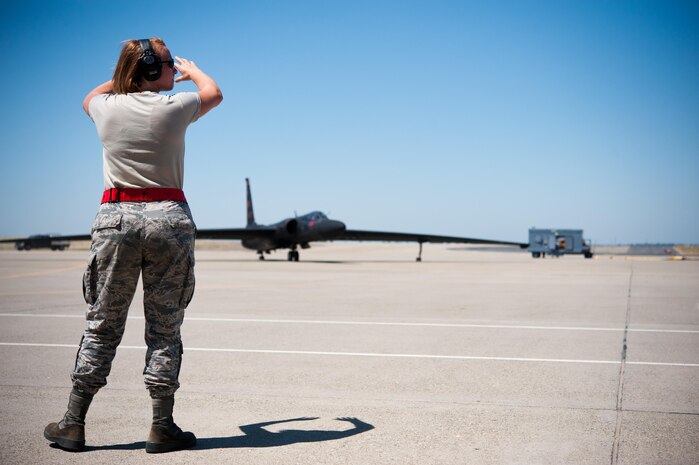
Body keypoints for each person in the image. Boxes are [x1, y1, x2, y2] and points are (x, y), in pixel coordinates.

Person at [43, 38, 222, 453]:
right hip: (169, 220)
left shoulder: (106, 108)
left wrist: (127, 75)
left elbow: (91, 96)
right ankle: (162, 427)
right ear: (148, 68)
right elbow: (214, 93)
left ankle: (73, 423)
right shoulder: (175, 106)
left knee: (102, 325)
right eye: (166, 62)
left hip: (116, 218)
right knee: (165, 328)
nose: (173, 68)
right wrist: (192, 70)